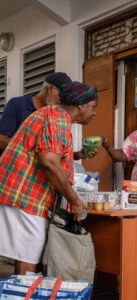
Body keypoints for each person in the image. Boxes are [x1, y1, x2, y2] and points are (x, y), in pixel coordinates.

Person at [0, 81, 98, 275]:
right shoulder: (57, 118)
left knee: (25, 253)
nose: (94, 113)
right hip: (26, 194)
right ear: (80, 105)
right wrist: (74, 200)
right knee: (28, 256)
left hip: (20, 191)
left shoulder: (52, 115)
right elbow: (50, 162)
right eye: (93, 107)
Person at [0, 72, 90, 160]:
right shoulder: (17, 104)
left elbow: (52, 152)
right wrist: (38, 149)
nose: (61, 102)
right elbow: (2, 141)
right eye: (61, 97)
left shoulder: (54, 114)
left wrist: (75, 155)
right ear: (50, 89)